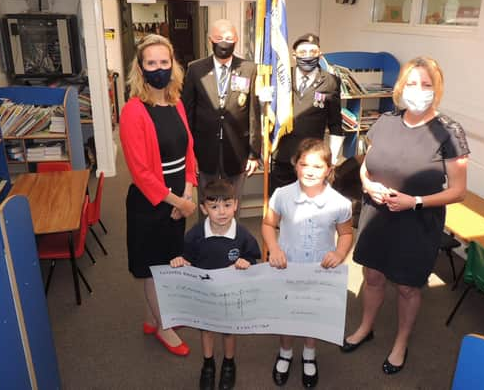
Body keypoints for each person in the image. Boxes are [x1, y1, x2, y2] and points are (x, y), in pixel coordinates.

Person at [341, 56, 469, 374]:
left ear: (436, 90)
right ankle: (366, 327)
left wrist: (416, 201)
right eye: (412, 83)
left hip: (417, 222)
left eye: (426, 85)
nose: (418, 90)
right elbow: (366, 166)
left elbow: (458, 191)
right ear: (401, 87)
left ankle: (400, 342)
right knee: (372, 276)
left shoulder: (449, 131)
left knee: (408, 287)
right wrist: (367, 185)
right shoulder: (386, 121)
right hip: (377, 216)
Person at [119, 34, 197, 357]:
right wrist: (179, 202)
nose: (159, 69)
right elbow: (141, 172)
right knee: (156, 268)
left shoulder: (177, 103)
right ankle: (163, 327)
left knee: (167, 260)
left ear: (173, 65)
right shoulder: (133, 111)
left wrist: (188, 188)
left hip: (178, 198)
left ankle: (152, 318)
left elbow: (188, 151)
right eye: (151, 63)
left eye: (164, 62)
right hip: (151, 205)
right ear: (140, 68)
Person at [262, 138, 353, 388]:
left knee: (313, 312)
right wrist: (274, 248)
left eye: (317, 166)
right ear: (295, 166)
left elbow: (346, 233)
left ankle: (309, 354)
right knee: (287, 312)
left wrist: (339, 253)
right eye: (304, 165)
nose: (310, 171)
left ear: (329, 170)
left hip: (320, 269)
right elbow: (269, 224)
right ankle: (286, 352)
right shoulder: (282, 195)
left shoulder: (339, 203)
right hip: (287, 266)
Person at [170, 179, 261, 390]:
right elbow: (188, 259)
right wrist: (181, 262)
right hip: (205, 295)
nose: (222, 212)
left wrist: (247, 262)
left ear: (236, 205)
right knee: (207, 330)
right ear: (203, 209)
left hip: (230, 295)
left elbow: (253, 259)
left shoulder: (242, 235)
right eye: (214, 206)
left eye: (227, 205)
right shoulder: (195, 234)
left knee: (229, 331)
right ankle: (208, 364)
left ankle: (229, 363)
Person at [182, 19, 261, 206]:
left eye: (228, 38)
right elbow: (187, 113)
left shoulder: (249, 69)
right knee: (206, 201)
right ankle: (207, 235)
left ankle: (232, 235)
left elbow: (253, 114)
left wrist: (254, 153)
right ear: (210, 40)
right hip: (203, 150)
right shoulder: (195, 69)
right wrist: (189, 153)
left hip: (236, 150)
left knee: (233, 202)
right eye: (219, 38)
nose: (223, 42)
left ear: (236, 40)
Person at [268, 33, 344, 194]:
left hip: (312, 160)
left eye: (312, 52)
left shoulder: (331, 81)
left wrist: (332, 158)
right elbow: (268, 114)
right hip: (282, 155)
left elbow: (335, 123)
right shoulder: (281, 78)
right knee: (280, 205)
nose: (308, 56)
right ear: (294, 55)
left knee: (307, 206)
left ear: (320, 54)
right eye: (302, 53)